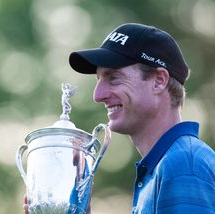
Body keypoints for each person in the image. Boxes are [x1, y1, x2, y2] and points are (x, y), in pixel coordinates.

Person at [24, 23, 215, 213]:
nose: (98, 95)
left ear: (159, 81)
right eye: (99, 80)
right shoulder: (166, 164)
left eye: (113, 78)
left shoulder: (183, 165)